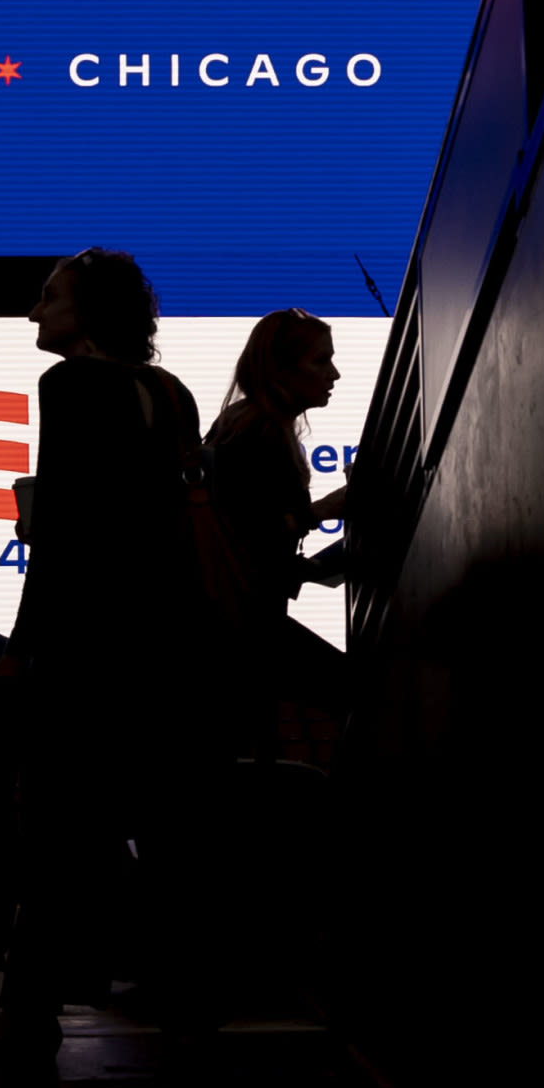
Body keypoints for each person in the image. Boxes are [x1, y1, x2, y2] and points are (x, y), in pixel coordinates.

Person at [0, 248, 211, 1060]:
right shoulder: (170, 393)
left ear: (87, 311)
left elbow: (65, 526)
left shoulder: (69, 385)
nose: (36, 314)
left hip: (87, 649)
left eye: (49, 297)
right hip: (164, 641)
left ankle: (29, 1010)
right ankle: (187, 1000)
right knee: (168, 829)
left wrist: (21, 645)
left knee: (59, 833)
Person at [202, 309, 355, 761]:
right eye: (320, 362)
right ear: (281, 369)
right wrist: (327, 508)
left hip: (239, 624)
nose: (335, 374)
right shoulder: (256, 431)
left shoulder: (248, 423)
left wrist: (303, 566)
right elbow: (246, 530)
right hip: (242, 627)